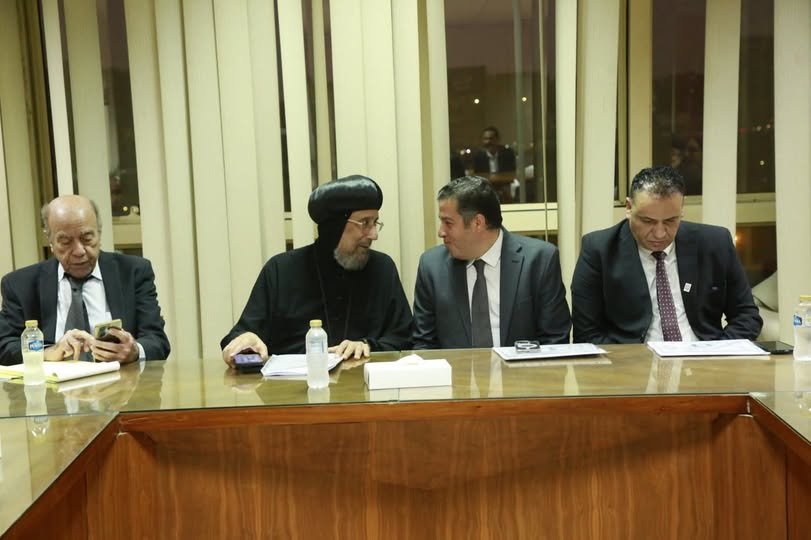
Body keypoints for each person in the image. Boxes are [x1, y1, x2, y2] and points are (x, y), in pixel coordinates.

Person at [221, 175, 413, 366]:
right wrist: (245, 340)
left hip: (364, 382)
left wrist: (367, 345)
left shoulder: (383, 269)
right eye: (365, 223)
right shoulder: (281, 270)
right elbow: (243, 335)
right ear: (335, 226)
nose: (374, 234)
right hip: (293, 385)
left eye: (375, 223)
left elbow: (404, 338)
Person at [571, 165, 762, 344]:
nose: (660, 233)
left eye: (670, 221)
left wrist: (716, 354)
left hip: (705, 357)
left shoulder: (714, 243)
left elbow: (746, 316)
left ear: (681, 210)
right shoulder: (599, 250)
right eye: (647, 221)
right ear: (628, 208)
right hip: (636, 361)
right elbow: (587, 334)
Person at [0, 194, 171, 365]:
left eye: (87, 239)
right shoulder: (20, 284)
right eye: (65, 242)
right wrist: (47, 353)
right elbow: (5, 346)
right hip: (55, 381)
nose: (79, 251)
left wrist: (134, 351)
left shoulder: (133, 272)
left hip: (119, 380)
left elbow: (157, 341)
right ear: (50, 240)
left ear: (99, 234)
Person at [412, 175, 571, 349]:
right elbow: (424, 345)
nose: (441, 232)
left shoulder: (539, 261)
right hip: (455, 367)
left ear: (478, 223)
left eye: (448, 223)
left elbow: (555, 340)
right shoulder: (432, 267)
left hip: (522, 366)